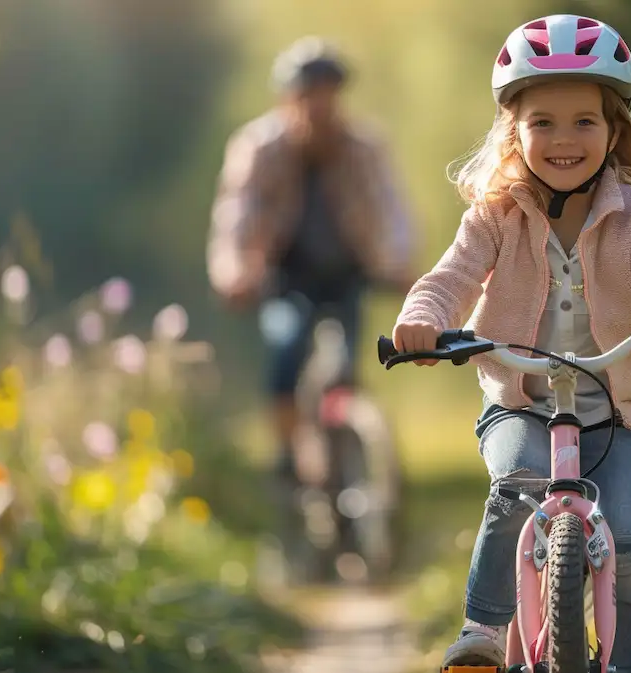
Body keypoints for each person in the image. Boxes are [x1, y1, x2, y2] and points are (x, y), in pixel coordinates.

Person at [391, 15, 631, 671]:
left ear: (613, 132)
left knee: (629, 543)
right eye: (542, 121)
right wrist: (423, 319)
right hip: (520, 400)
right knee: (518, 482)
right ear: (513, 132)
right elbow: (451, 277)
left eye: (584, 121)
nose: (564, 139)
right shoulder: (497, 213)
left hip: (613, 412)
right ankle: (484, 633)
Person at [207, 37, 416, 562]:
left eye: (328, 94)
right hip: (284, 276)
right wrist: (233, 271)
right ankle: (287, 455)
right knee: (285, 353)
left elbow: (390, 208)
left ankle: (351, 461)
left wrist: (398, 262)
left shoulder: (362, 147)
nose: (319, 105)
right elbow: (236, 215)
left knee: (348, 368)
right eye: (308, 94)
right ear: (288, 98)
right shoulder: (259, 147)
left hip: (347, 275)